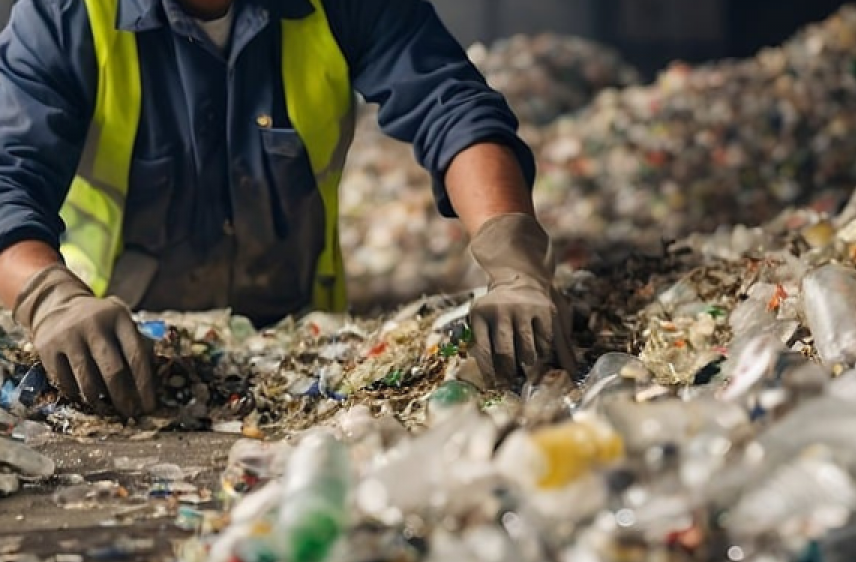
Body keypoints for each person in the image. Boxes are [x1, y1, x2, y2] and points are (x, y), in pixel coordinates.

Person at [0, 0, 576, 418]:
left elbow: (451, 107)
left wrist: (513, 262)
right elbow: (8, 175)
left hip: (304, 357)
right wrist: (49, 298)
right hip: (118, 353)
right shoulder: (66, 15)